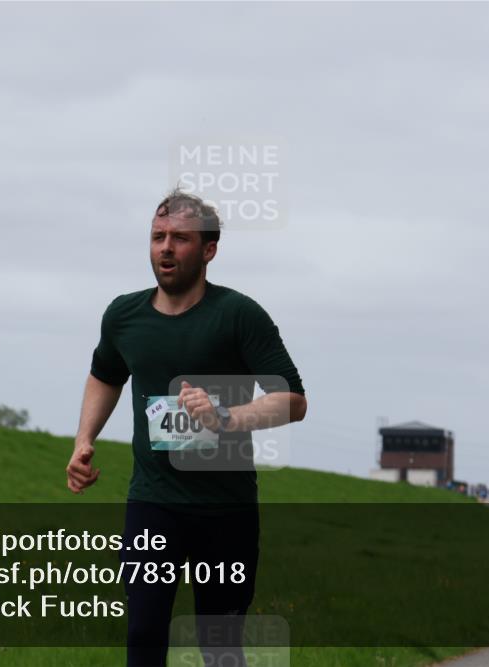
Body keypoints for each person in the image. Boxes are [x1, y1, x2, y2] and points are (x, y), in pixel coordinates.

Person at [66, 189, 307, 667]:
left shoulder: (239, 315)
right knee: (144, 632)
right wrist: (83, 441)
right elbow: (105, 375)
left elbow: (293, 400)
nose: (165, 248)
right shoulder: (124, 315)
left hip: (226, 509)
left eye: (179, 238)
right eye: (157, 237)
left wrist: (227, 418)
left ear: (209, 250)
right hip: (153, 504)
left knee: (219, 645)